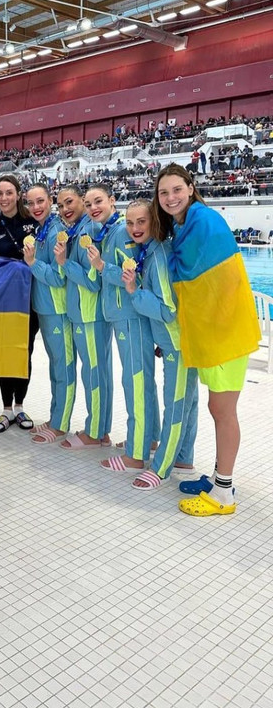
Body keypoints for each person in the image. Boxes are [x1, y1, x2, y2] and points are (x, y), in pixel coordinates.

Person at [152, 164, 260, 515]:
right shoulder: (183, 226)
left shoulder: (204, 221)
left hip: (226, 330)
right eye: (163, 192)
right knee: (217, 408)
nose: (170, 198)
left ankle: (224, 493)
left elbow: (196, 278)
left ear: (190, 187)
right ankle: (217, 478)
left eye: (176, 190)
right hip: (212, 331)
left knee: (222, 410)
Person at [79, 184, 159, 472]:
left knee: (135, 381)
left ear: (112, 201)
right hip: (125, 314)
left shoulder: (122, 232)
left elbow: (132, 273)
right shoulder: (111, 231)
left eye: (98, 201)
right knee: (142, 380)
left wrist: (101, 266)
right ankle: (149, 439)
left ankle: (136, 454)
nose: (93, 208)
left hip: (130, 315)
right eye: (88, 204)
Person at [121, 199, 199, 490]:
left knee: (176, 404)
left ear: (154, 221)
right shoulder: (152, 251)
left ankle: (162, 467)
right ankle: (183, 458)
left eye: (141, 221)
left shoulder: (159, 255)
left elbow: (167, 310)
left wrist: (134, 291)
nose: (135, 228)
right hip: (174, 340)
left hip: (177, 342)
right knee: (187, 401)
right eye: (130, 223)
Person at [53, 185, 112, 449]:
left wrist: (64, 262)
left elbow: (92, 281)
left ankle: (95, 432)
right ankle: (101, 429)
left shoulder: (87, 231)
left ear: (81, 201)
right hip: (86, 313)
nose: (65, 209)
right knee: (99, 373)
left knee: (94, 375)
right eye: (60, 206)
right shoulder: (79, 230)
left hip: (89, 314)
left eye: (70, 202)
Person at [22, 183, 76, 444]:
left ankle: (61, 423)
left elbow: (58, 277)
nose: (36, 207)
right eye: (31, 203)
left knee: (63, 368)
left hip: (58, 310)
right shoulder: (42, 230)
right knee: (56, 367)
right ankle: (56, 417)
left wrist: (33, 263)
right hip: (45, 309)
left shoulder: (56, 232)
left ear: (50, 200)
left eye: (40, 201)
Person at [0, 175, 38, 433]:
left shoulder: (33, 222)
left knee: (24, 351)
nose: (4, 198)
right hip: (4, 300)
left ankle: (19, 406)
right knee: (6, 352)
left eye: (9, 193)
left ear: (18, 194)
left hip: (30, 299)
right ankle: (6, 409)